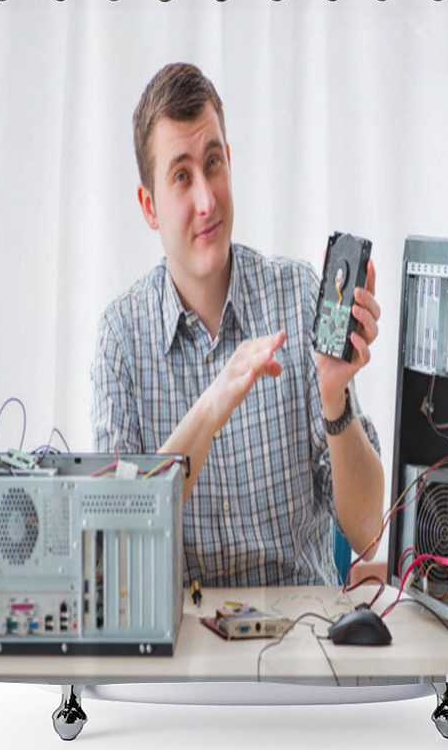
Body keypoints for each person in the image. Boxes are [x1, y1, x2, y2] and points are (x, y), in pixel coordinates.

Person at [91, 62, 384, 588]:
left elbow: (366, 533)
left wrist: (335, 400)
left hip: (302, 645)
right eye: (181, 176)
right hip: (184, 656)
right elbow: (117, 550)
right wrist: (213, 402)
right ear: (149, 206)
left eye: (214, 163)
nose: (207, 200)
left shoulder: (297, 297)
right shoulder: (121, 338)